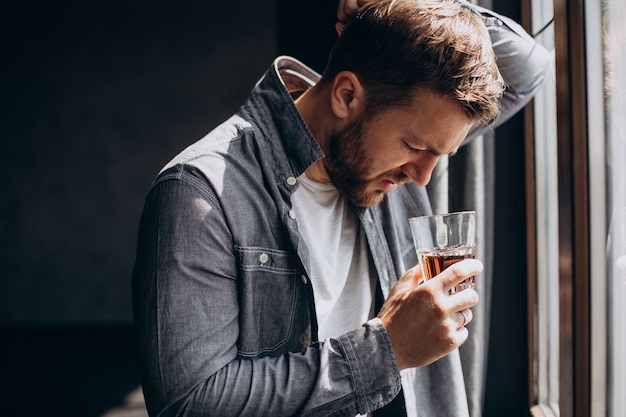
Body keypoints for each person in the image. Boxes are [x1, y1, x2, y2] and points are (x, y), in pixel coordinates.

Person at [132, 0, 550, 416]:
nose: (422, 178)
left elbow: (527, 68)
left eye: (441, 155)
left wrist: (412, 3)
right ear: (347, 95)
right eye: (414, 146)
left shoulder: (390, 154)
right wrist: (387, 349)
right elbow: (189, 404)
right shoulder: (200, 194)